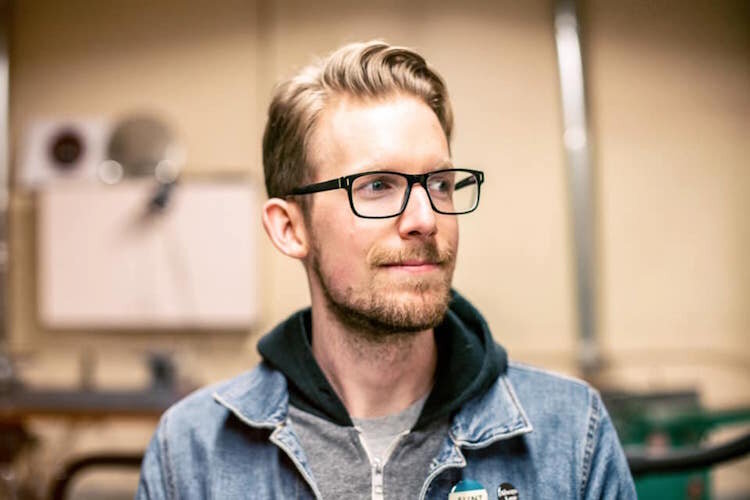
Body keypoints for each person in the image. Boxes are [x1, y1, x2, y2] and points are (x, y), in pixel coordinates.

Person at [137, 40, 636, 499]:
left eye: (440, 184)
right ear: (290, 228)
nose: (425, 219)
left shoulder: (572, 434)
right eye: (377, 186)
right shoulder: (193, 452)